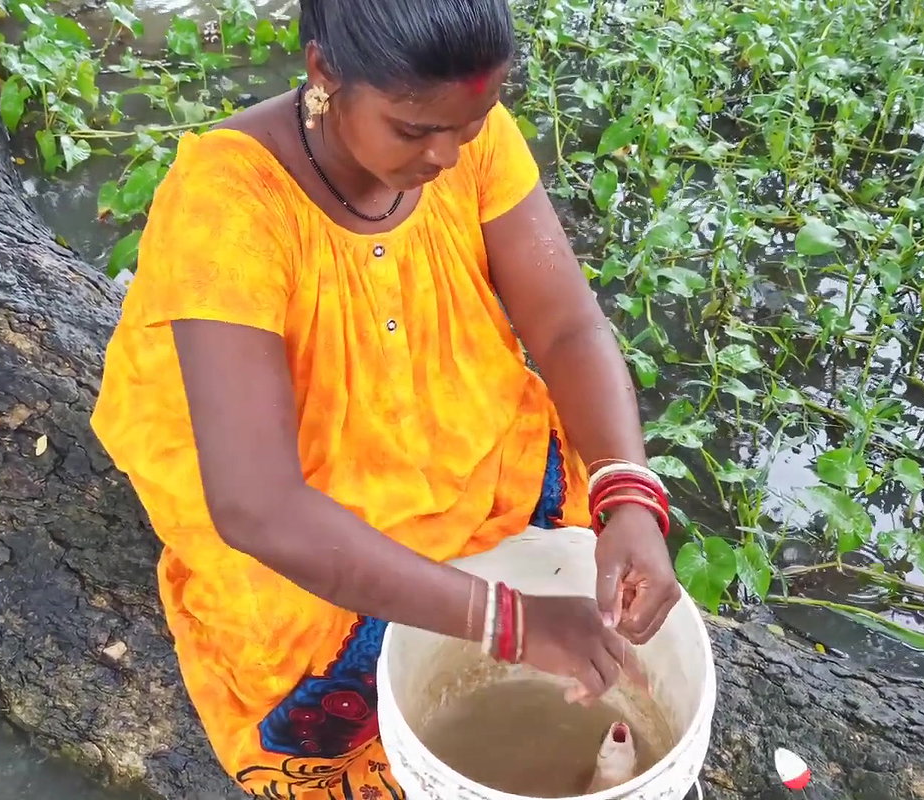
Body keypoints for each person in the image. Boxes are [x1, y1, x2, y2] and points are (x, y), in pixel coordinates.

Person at [90, 1, 681, 797]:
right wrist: (510, 623)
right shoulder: (228, 202)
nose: (444, 154)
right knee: (317, 687)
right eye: (412, 131)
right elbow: (258, 507)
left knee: (580, 560)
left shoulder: (464, 125)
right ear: (324, 74)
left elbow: (568, 324)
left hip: (468, 434)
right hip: (302, 498)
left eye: (468, 127)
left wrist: (628, 495)